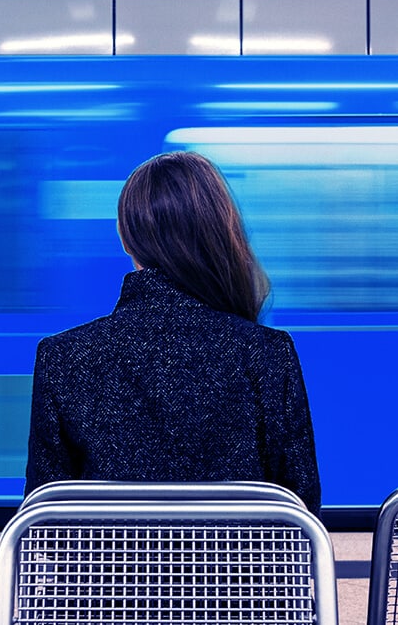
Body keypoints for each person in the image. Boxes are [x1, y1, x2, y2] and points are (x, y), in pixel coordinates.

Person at [24, 150, 321, 516]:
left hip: (110, 574)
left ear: (125, 239)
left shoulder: (64, 358)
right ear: (220, 232)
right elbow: (299, 508)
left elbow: (45, 518)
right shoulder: (267, 353)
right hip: (235, 573)